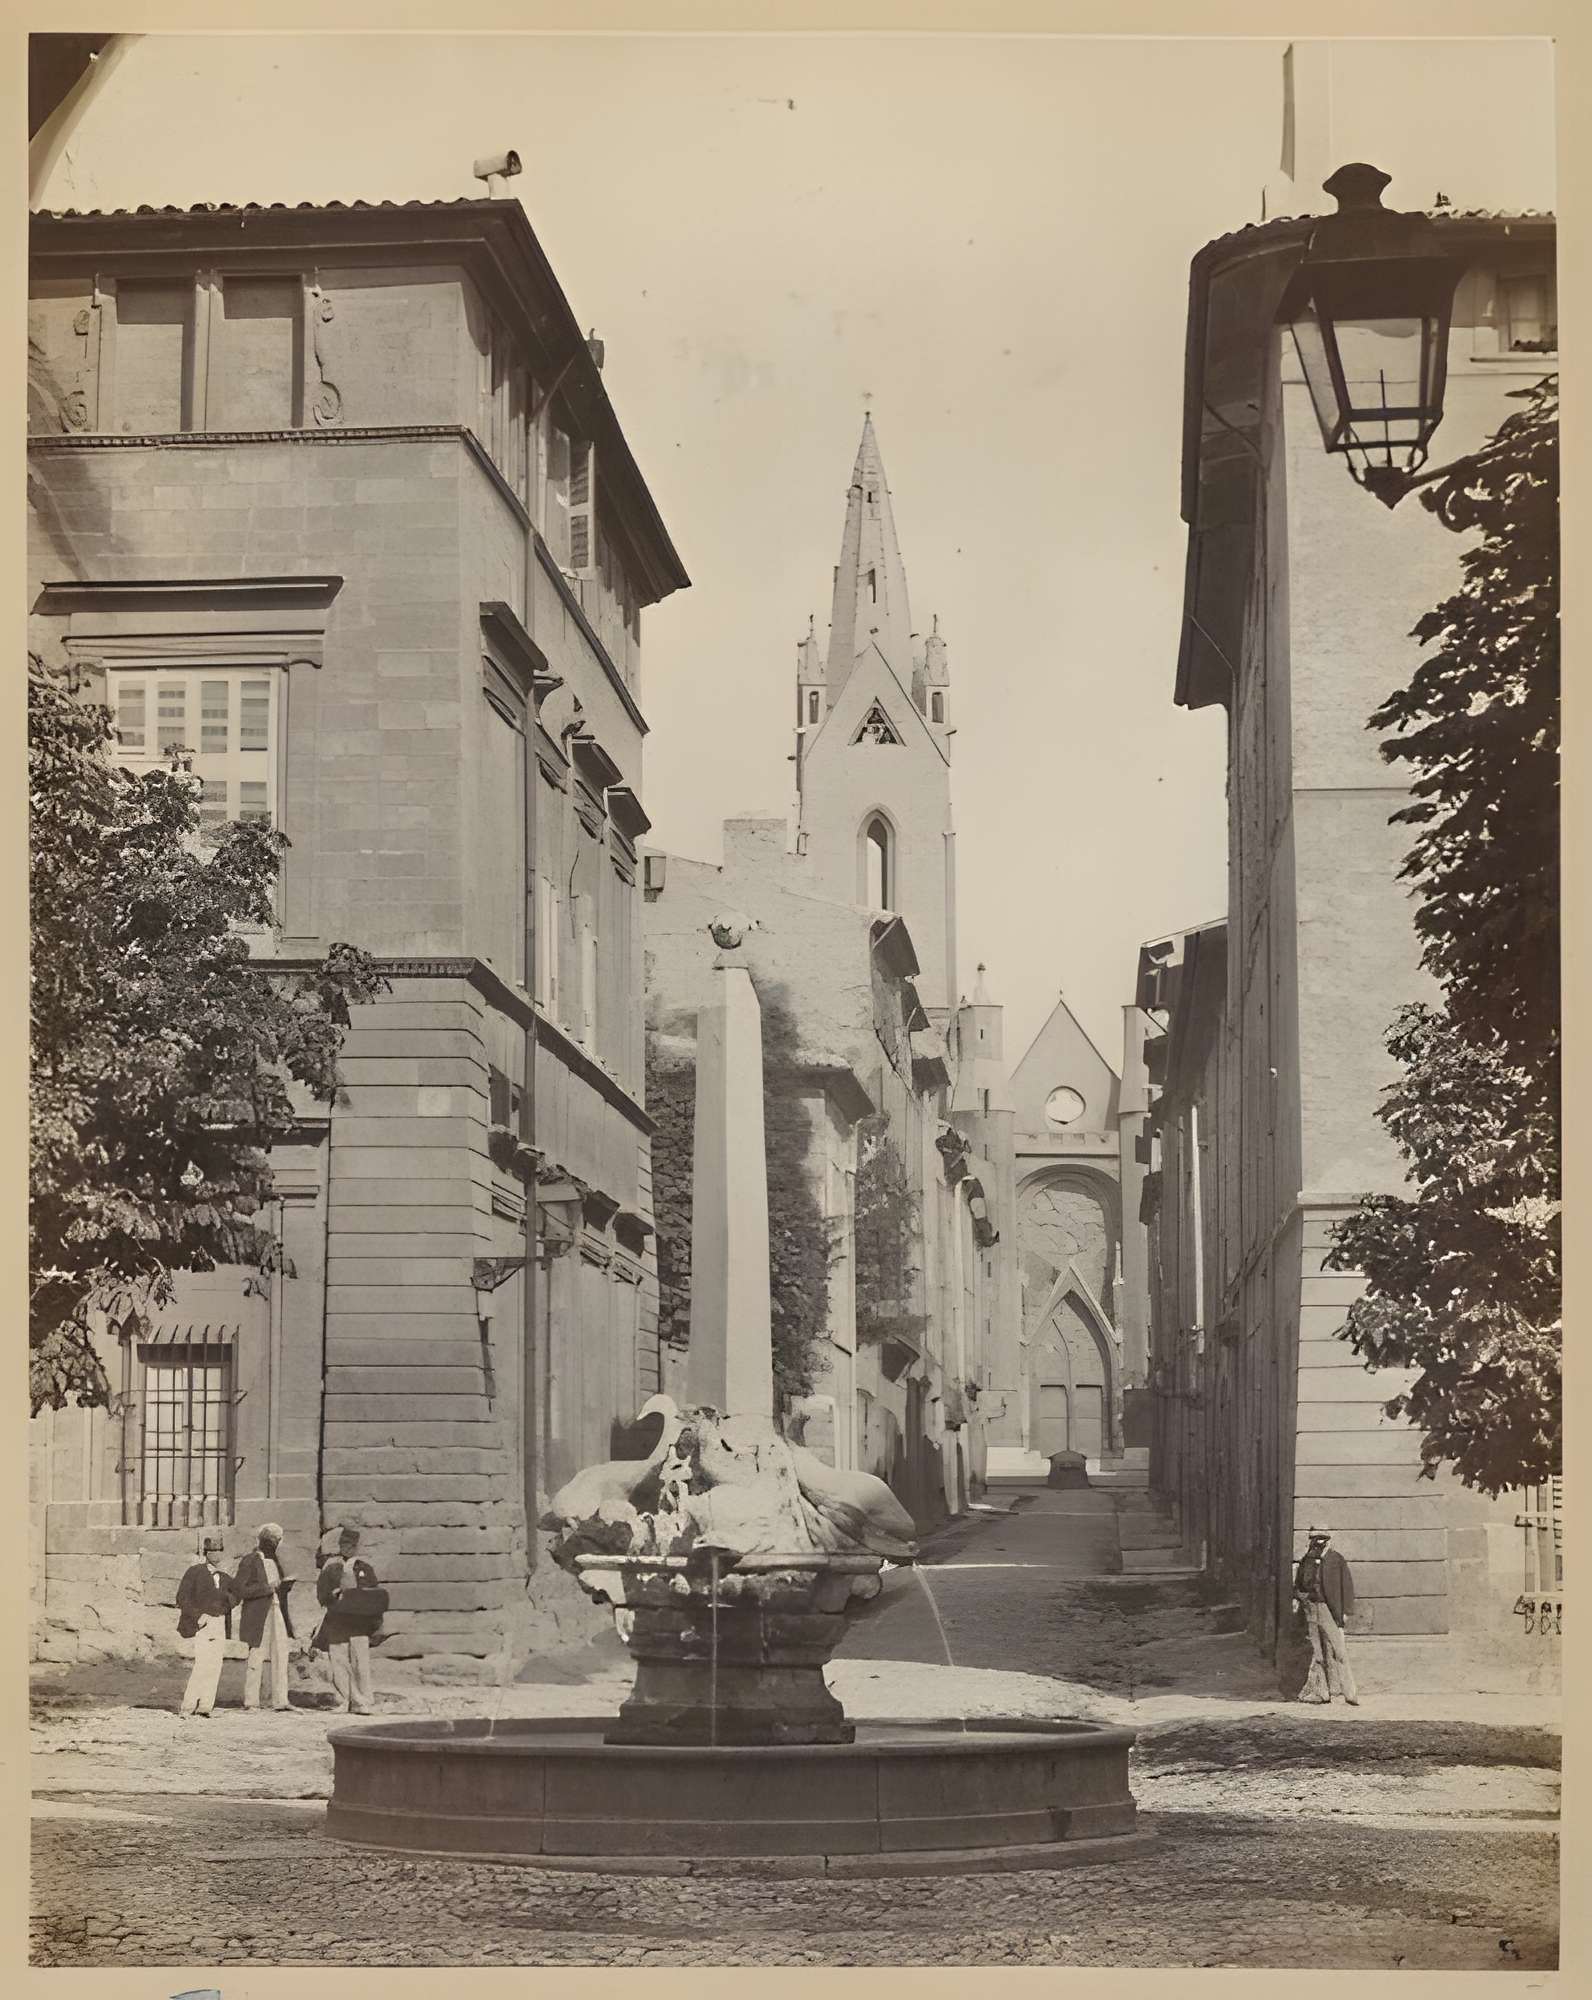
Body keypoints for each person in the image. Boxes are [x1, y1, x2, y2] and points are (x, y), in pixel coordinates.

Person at [314, 1527, 382, 1715]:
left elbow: (374, 1595)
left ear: (356, 1547)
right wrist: (332, 1595)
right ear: (340, 1546)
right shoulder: (331, 1569)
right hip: (337, 1621)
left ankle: (363, 1702)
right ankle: (343, 1700)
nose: (347, 1549)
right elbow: (321, 1594)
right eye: (344, 1545)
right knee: (339, 1661)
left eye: (351, 1545)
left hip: (359, 1622)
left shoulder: (365, 1569)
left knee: (360, 1662)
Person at [1293, 1524, 1359, 1705]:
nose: (1319, 1542)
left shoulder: (1336, 1560)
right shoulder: (1307, 1560)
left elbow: (1347, 1586)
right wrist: (1301, 1598)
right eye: (1315, 1538)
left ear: (1328, 1540)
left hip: (1329, 1609)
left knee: (1338, 1651)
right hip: (1311, 1608)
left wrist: (1345, 1611)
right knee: (1318, 1653)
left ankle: (1349, 1692)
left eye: (1322, 1538)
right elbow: (1299, 1584)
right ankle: (1322, 1693)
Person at [175, 1534, 239, 1719]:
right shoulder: (194, 1572)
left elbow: (236, 1596)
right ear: (206, 1553)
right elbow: (182, 1598)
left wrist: (225, 1606)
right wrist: (198, 1616)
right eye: (213, 1551)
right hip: (201, 1625)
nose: (217, 1554)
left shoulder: (225, 1578)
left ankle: (205, 1706)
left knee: (215, 1665)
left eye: (220, 1551)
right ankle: (188, 1706)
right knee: (202, 1664)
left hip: (218, 1623)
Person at [235, 1521, 296, 1712]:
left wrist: (284, 1587)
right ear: (262, 1540)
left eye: (277, 1540)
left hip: (277, 1610)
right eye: (271, 1539)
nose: (274, 1544)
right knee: (257, 1654)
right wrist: (267, 1588)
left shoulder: (276, 1562)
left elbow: (277, 1588)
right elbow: (240, 1589)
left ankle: (281, 1700)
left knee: (281, 1652)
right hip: (257, 1614)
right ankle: (251, 1701)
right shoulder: (249, 1561)